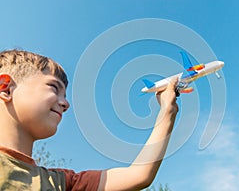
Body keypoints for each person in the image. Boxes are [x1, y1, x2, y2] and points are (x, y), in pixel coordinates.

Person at [0, 49, 179, 190]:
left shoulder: (60, 183)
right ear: (6, 88)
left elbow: (139, 175)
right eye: (54, 88)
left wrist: (167, 112)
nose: (65, 103)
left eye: (65, 95)